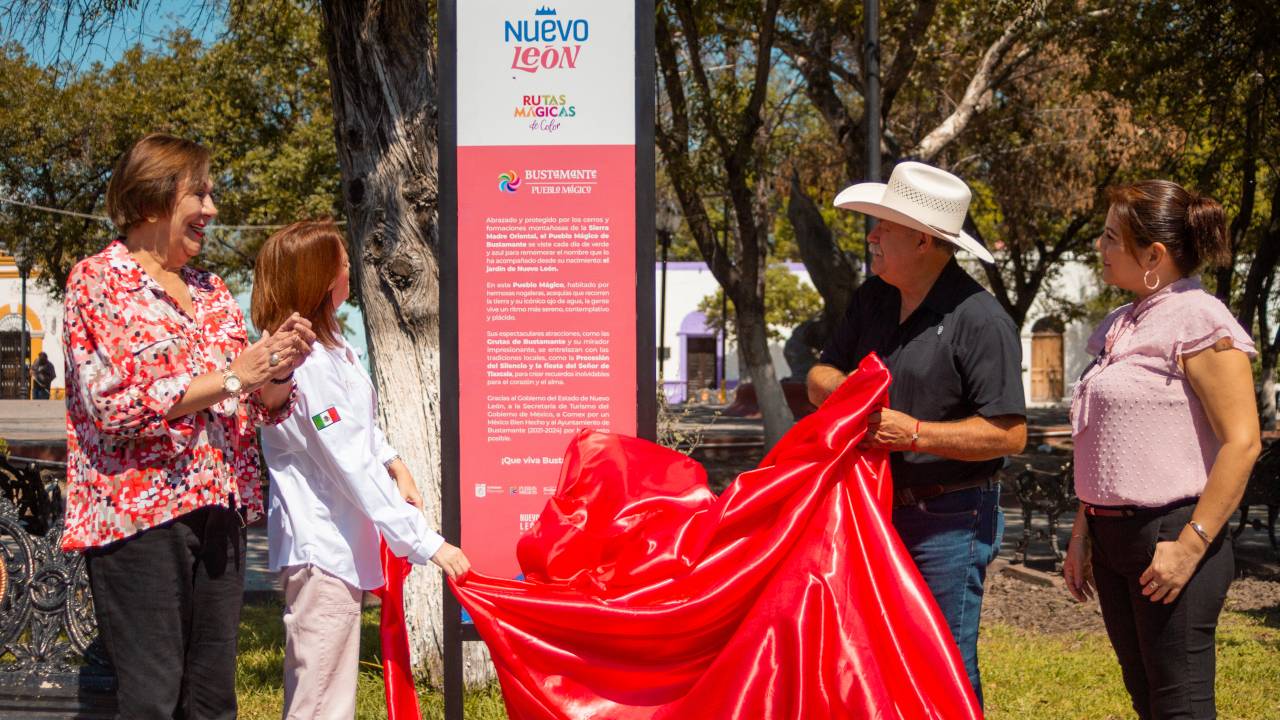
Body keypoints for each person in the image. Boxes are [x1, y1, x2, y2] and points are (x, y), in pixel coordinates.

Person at [62, 133, 314, 719]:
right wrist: (233, 375)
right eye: (198, 194)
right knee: (152, 700)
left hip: (219, 512)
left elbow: (250, 407)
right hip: (139, 520)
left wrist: (275, 372)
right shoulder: (98, 281)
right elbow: (113, 405)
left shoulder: (212, 291)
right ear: (153, 198)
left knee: (211, 700)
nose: (212, 208)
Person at [806, 161, 1026, 706]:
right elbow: (818, 376)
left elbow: (1009, 434)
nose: (872, 235)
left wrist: (916, 434)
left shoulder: (981, 319)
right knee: (872, 651)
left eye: (885, 225)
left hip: (949, 517)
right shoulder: (873, 297)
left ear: (924, 240)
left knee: (941, 657)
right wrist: (853, 398)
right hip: (870, 510)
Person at [251, 220, 470, 720]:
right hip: (321, 550)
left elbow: (362, 434)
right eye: (344, 262)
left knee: (329, 696)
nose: (351, 269)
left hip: (337, 549)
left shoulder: (334, 351)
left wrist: (395, 464)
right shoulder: (304, 364)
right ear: (322, 278)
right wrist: (426, 541)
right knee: (320, 702)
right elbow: (349, 459)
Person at [1062, 180, 1259, 720]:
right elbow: (1104, 441)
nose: (1099, 250)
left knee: (1180, 705)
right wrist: (1083, 532)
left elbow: (1243, 442)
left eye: (1109, 238)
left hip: (1172, 535)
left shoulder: (1199, 317)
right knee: (1147, 699)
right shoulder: (1120, 324)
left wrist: (1192, 544)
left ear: (1154, 254)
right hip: (1113, 537)